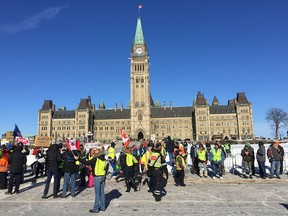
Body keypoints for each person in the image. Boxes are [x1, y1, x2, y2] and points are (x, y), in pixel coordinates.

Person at [74, 147, 106, 213]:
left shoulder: (96, 158)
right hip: (102, 176)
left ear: (98, 152)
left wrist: (79, 159)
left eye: (96, 150)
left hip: (97, 176)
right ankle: (103, 207)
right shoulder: (103, 158)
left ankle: (96, 208)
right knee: (102, 193)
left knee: (97, 194)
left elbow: (87, 162)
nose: (94, 151)